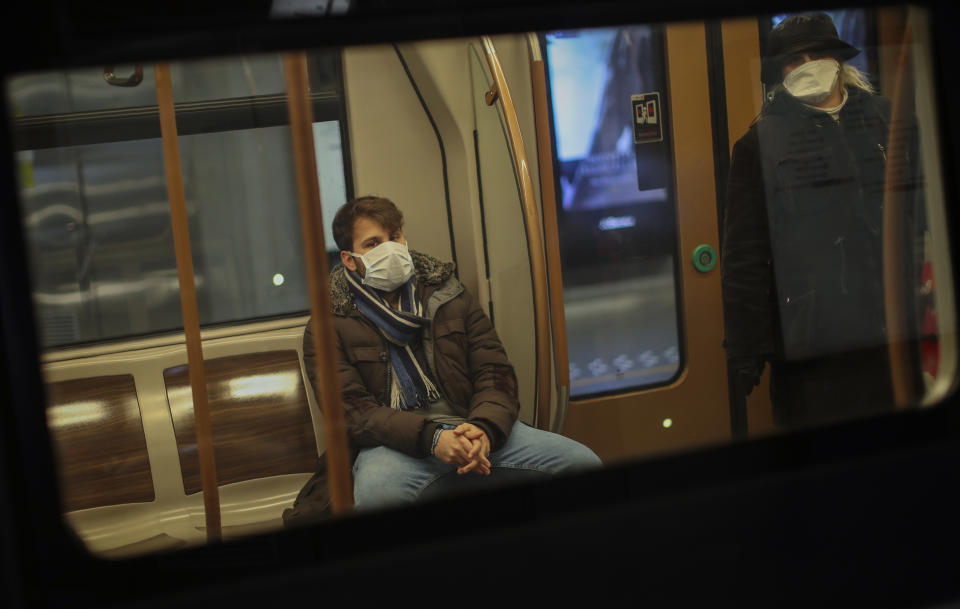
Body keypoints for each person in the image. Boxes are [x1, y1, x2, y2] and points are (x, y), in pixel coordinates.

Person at [284, 196, 601, 522]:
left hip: (470, 423)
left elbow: (495, 372)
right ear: (350, 260)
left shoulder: (448, 294)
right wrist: (432, 438)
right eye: (374, 243)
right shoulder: (328, 326)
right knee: (378, 497)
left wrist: (483, 430)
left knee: (581, 462)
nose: (390, 249)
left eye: (394, 237)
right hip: (392, 445)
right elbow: (354, 413)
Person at [721, 13, 920, 428]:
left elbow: (919, 212)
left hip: (891, 325)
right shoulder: (760, 144)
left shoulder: (887, 119)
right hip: (812, 341)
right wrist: (747, 348)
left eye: (818, 54)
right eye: (795, 60)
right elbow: (744, 255)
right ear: (780, 73)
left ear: (838, 59)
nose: (808, 65)